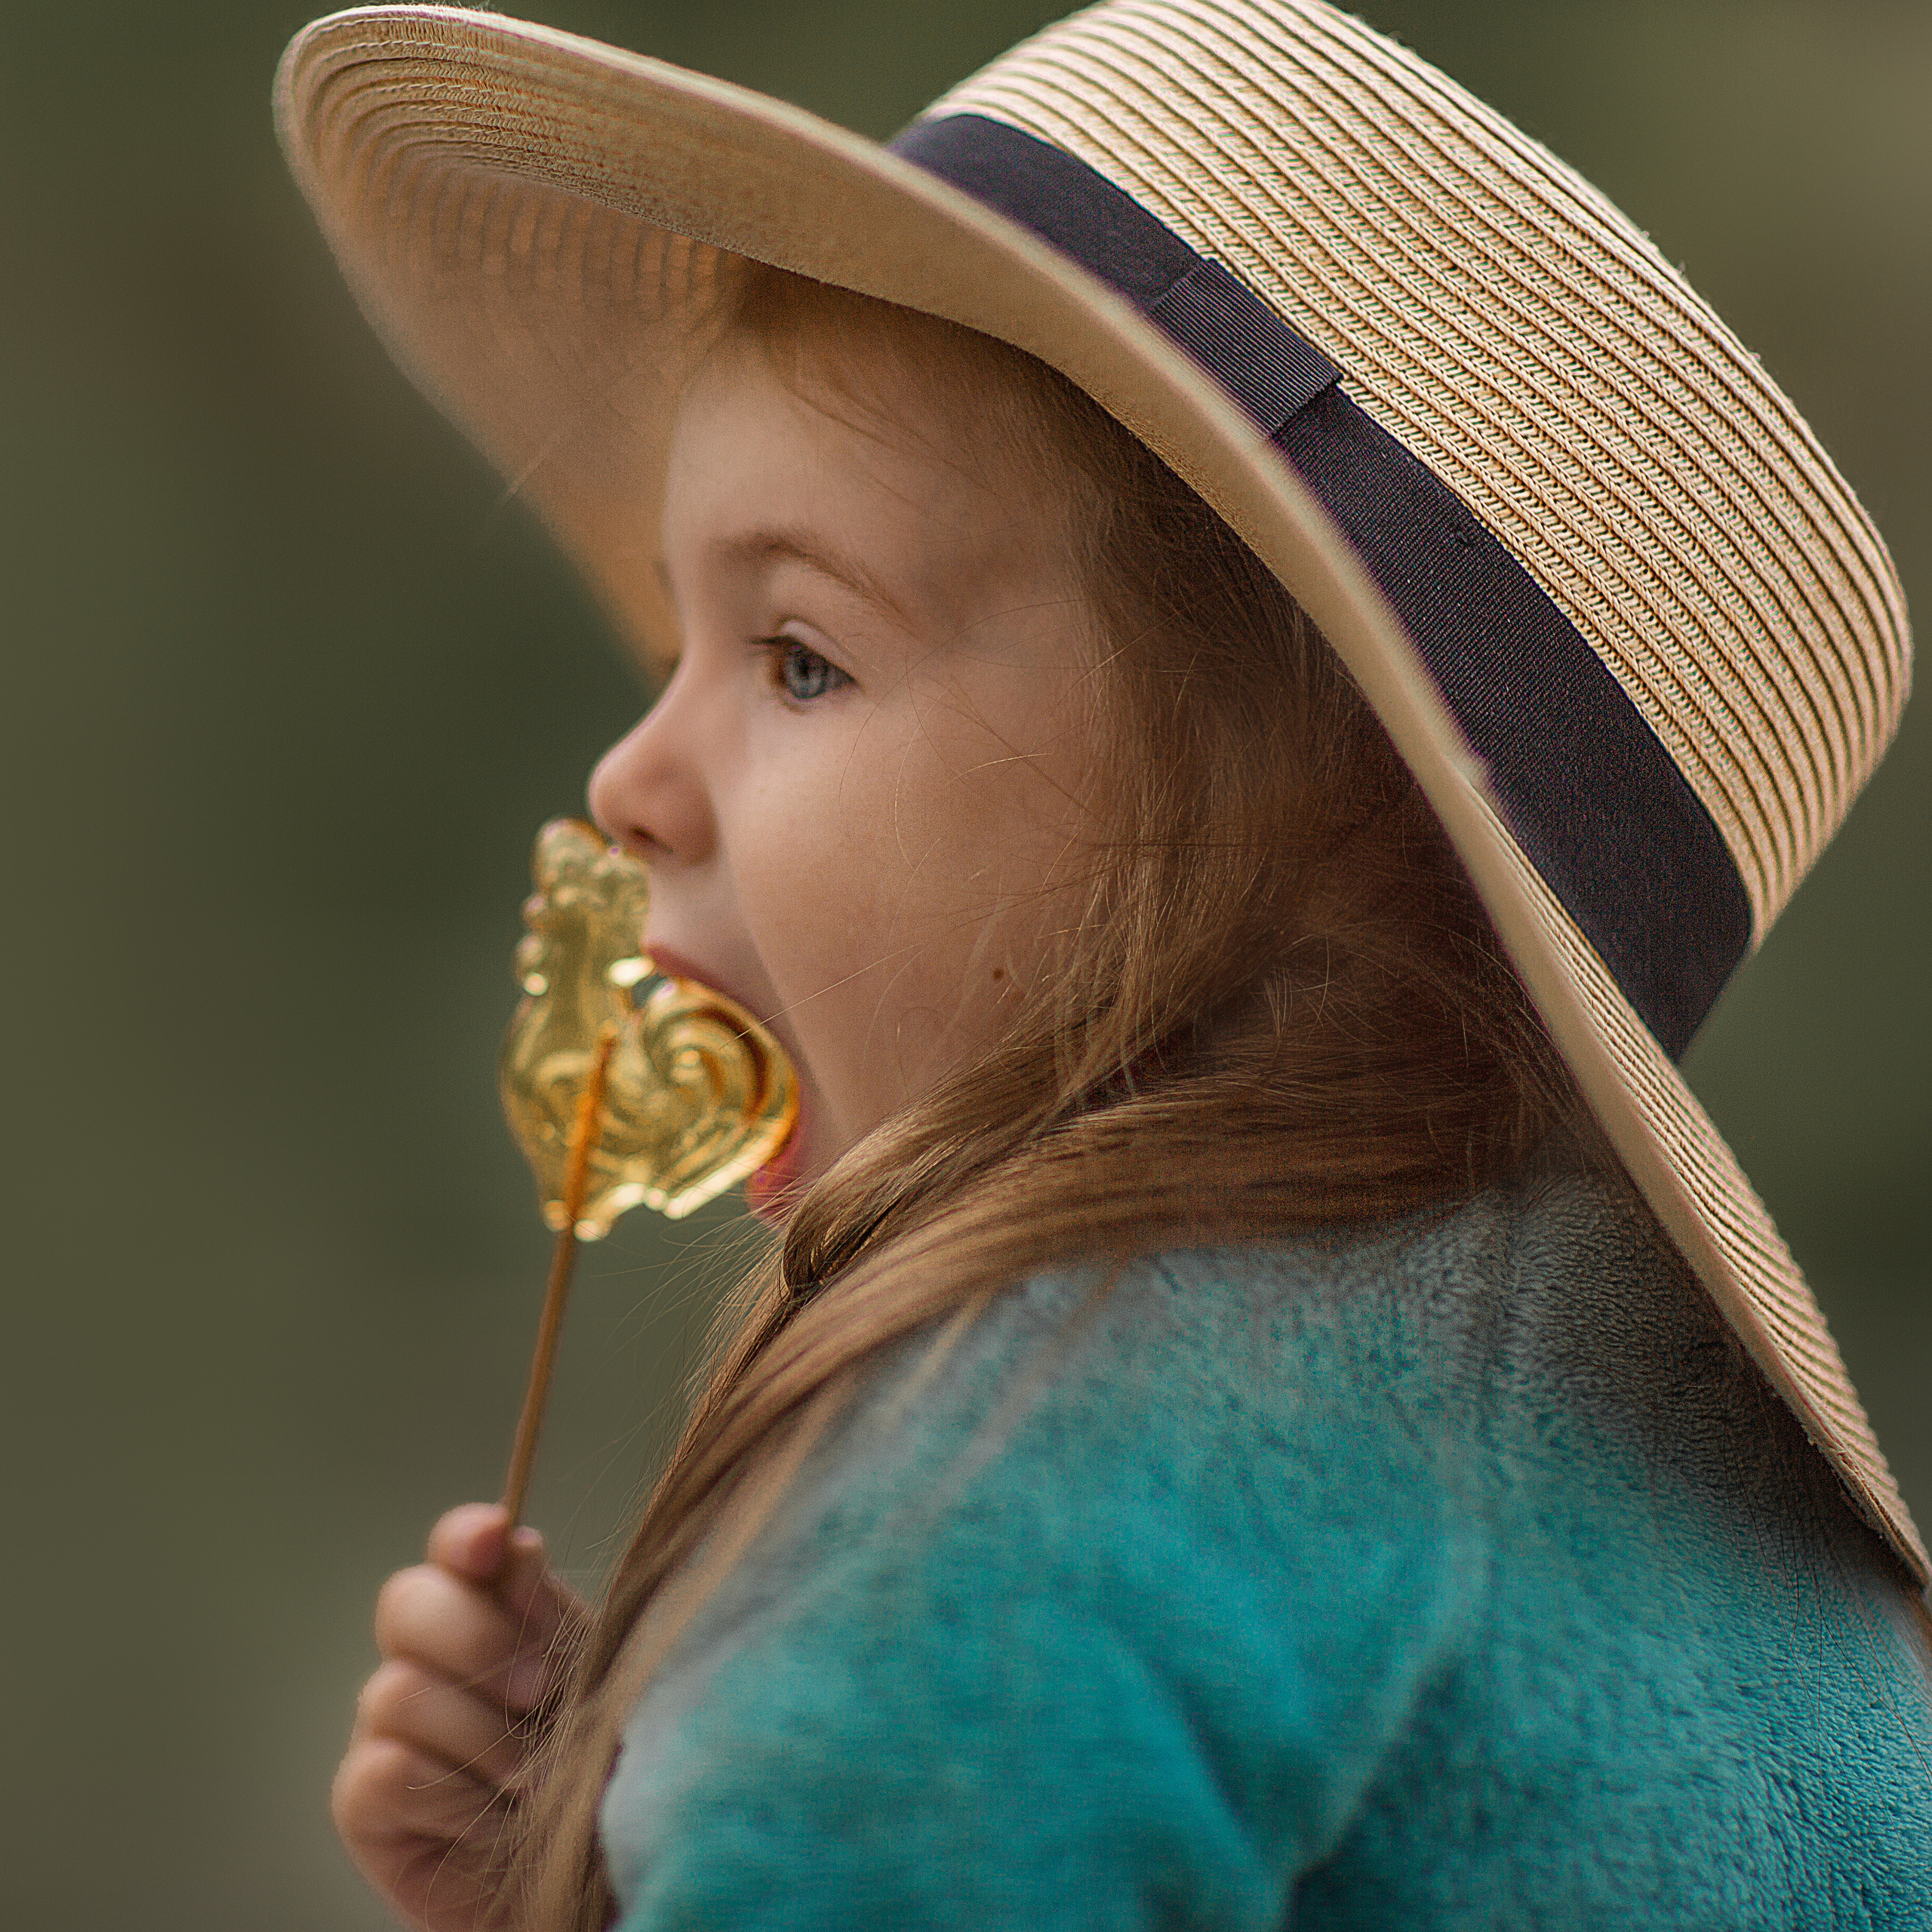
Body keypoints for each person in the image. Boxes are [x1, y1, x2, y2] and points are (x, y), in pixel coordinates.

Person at [277, 2, 1932, 1927]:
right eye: (676, 654)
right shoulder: (1670, 1465)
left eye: (800, 655)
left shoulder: (1034, 1454)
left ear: (1291, 845)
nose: (625, 782)